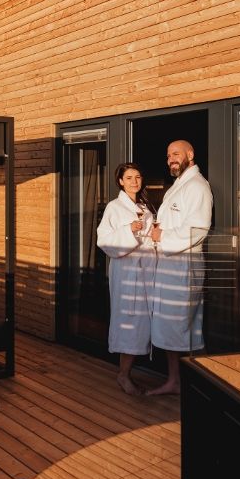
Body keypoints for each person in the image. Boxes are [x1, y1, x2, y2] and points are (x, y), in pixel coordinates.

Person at [147, 140, 213, 395]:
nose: (170, 159)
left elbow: (197, 229)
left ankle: (206, 383)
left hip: (184, 265)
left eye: (175, 154)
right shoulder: (180, 185)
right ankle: (176, 381)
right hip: (171, 265)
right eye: (168, 156)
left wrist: (161, 236)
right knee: (176, 328)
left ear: (190, 154)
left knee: (184, 327)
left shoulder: (197, 187)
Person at [96, 162, 157, 395]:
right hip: (127, 273)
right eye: (129, 177)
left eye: (138, 177)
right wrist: (129, 230)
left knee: (143, 323)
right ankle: (123, 375)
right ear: (120, 181)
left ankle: (130, 373)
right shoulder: (114, 208)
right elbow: (104, 241)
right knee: (129, 322)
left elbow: (151, 238)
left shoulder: (145, 206)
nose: (134, 181)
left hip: (147, 271)